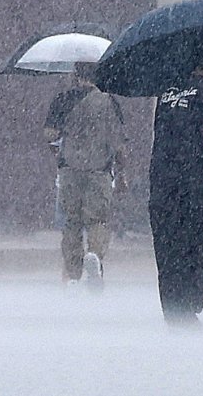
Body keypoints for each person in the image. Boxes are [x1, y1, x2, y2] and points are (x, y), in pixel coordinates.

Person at [148, 45, 203, 325]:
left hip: (163, 187)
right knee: (199, 250)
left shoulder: (166, 94)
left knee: (169, 251)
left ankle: (174, 313)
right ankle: (188, 311)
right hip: (197, 187)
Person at [45, 63, 127, 287]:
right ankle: (95, 259)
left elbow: (50, 137)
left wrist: (62, 153)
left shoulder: (62, 100)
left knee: (71, 223)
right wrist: (121, 174)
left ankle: (73, 273)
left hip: (69, 171)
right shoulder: (109, 102)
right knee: (97, 221)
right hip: (99, 171)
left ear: (75, 75)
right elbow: (118, 145)